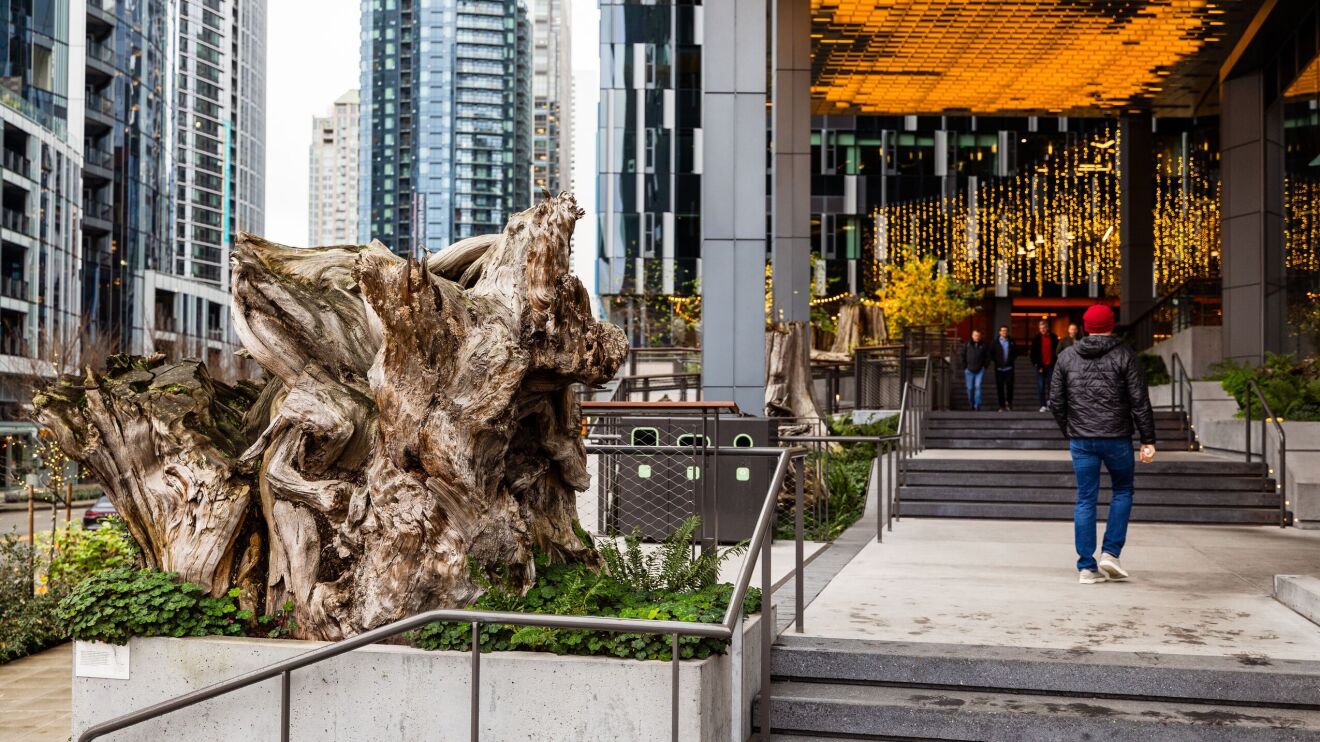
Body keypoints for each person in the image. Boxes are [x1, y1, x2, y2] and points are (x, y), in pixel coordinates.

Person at [1049, 304, 1157, 585]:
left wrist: (1070, 430)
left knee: (1086, 498)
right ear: (1112, 325)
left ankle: (1087, 567)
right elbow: (1139, 400)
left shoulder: (1067, 356)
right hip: (1117, 437)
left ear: (1085, 327)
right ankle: (1111, 553)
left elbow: (1056, 402)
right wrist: (1148, 439)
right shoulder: (1124, 355)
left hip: (1081, 439)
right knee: (1122, 490)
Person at [1030, 319, 1060, 412]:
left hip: (1051, 366)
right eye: (1040, 328)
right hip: (1041, 367)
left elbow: (1058, 351)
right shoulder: (1036, 339)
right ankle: (1042, 405)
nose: (1042, 329)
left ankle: (1050, 403)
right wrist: (1036, 364)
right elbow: (1032, 354)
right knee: (1041, 386)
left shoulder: (1054, 337)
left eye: (1044, 328)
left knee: (1052, 386)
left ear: (1047, 328)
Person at [961, 329, 990, 411]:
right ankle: (971, 404)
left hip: (980, 370)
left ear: (980, 336)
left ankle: (977, 405)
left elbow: (988, 357)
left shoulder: (984, 345)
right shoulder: (967, 344)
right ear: (972, 335)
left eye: (978, 336)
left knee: (978, 386)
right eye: (975, 335)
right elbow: (962, 355)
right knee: (970, 388)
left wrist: (985, 366)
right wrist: (965, 367)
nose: (977, 337)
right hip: (969, 370)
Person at [990, 325, 1016, 411]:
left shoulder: (1011, 341)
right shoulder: (995, 342)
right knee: (1000, 388)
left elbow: (1016, 352)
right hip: (999, 369)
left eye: (1006, 331)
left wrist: (1011, 360)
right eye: (1003, 331)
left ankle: (1009, 403)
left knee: (1010, 387)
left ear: (1007, 332)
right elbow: (991, 353)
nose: (1004, 332)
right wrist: (997, 361)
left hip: (1009, 369)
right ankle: (1001, 406)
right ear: (1000, 332)